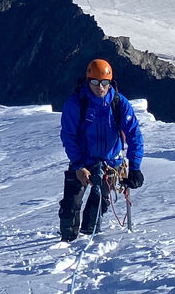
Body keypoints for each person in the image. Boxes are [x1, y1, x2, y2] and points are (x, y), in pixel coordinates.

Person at [58, 58, 145, 241]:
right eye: (95, 82)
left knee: (98, 204)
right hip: (83, 161)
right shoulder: (76, 104)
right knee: (70, 205)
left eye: (104, 82)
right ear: (88, 81)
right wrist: (79, 165)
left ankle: (88, 237)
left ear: (110, 82)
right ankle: (67, 242)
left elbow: (134, 135)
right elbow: (69, 136)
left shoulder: (119, 104)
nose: (100, 87)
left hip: (110, 163)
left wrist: (135, 167)